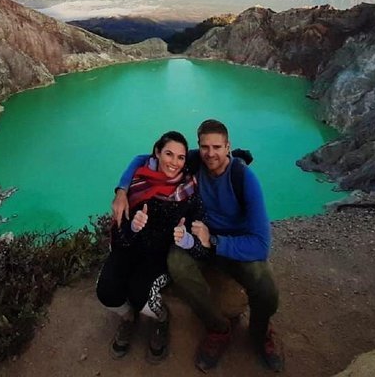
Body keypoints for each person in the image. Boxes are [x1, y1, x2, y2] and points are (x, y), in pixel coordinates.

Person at [111, 119, 284, 372]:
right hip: (197, 239)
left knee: (267, 289)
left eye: (217, 147)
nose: (210, 153)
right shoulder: (196, 161)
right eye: (205, 146)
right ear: (199, 147)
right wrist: (122, 190)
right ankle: (218, 328)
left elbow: (260, 245)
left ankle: (260, 332)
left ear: (228, 147)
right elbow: (142, 158)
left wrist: (214, 242)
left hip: (232, 244)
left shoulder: (244, 179)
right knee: (177, 264)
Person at [96, 130, 209, 364]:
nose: (174, 163)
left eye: (180, 157)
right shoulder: (136, 183)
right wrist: (133, 228)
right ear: (157, 152)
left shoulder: (189, 192)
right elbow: (120, 236)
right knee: (105, 290)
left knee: (141, 295)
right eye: (169, 154)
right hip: (130, 248)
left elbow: (202, 248)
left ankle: (161, 320)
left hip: (160, 256)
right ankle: (128, 318)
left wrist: (186, 240)